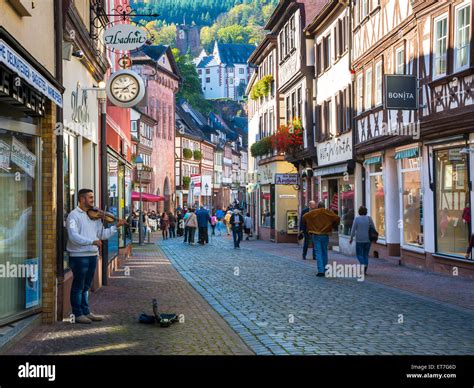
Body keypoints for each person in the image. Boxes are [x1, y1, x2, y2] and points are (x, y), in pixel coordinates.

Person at [66, 189, 127, 324]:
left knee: (86, 286)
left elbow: (101, 235)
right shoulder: (73, 215)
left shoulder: (95, 217)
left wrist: (115, 226)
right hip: (79, 256)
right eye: (90, 197)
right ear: (82, 199)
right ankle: (77, 314)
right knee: (78, 285)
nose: (93, 201)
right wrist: (91, 241)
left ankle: (86, 311)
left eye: (93, 197)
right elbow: (73, 236)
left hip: (93, 255)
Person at [303, 201, 340, 277]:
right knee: (324, 252)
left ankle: (320, 270)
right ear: (324, 206)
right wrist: (332, 225)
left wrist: (310, 225)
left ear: (318, 206)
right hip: (325, 235)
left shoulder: (314, 212)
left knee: (318, 252)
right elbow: (337, 218)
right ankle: (325, 268)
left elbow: (304, 217)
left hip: (316, 234)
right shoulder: (328, 212)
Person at [349, 206, 376, 275]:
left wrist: (351, 238)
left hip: (359, 239)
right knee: (365, 255)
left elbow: (353, 229)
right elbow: (373, 228)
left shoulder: (357, 219)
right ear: (366, 212)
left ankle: (363, 264)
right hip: (368, 240)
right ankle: (365, 270)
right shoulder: (369, 218)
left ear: (359, 212)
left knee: (359, 254)